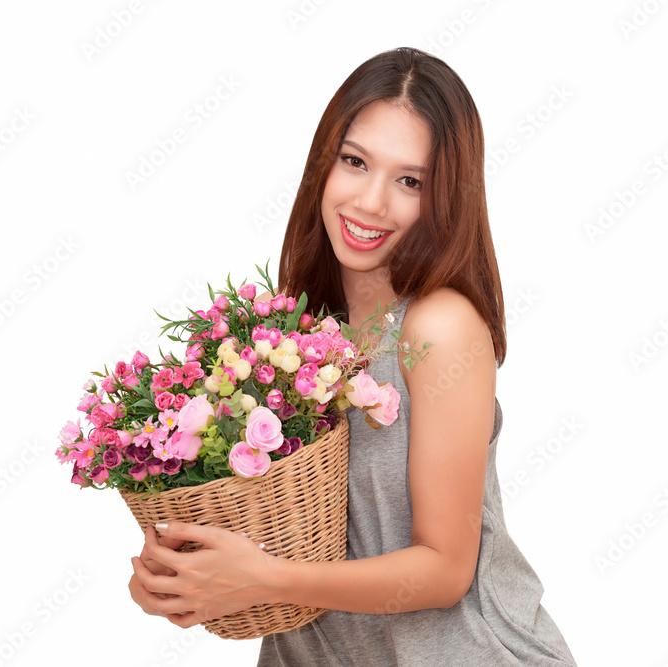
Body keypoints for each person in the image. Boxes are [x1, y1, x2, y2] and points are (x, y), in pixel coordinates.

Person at [127, 47, 578, 666]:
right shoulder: (294, 338)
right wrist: (177, 576)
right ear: (324, 164)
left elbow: (445, 569)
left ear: (445, 197)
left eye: (410, 181)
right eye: (355, 162)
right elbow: (269, 528)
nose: (370, 202)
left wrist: (267, 579)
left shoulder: (438, 327)